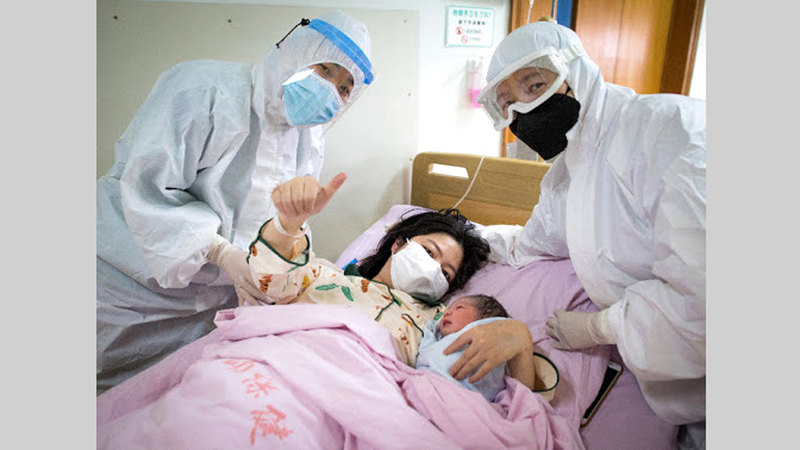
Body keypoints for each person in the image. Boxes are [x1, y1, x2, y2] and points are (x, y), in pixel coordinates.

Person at [96, 10, 375, 393]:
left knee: (166, 399)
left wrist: (289, 260)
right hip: (129, 282)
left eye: (344, 88)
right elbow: (147, 188)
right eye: (325, 69)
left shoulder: (309, 139)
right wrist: (222, 253)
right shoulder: (204, 90)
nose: (330, 90)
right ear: (294, 50)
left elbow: (281, 219)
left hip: (211, 304)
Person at [457, 21, 705, 428]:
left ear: (578, 71)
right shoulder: (567, 175)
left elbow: (704, 298)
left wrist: (599, 327)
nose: (523, 110)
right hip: (679, 400)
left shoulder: (668, 131)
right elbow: (531, 243)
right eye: (508, 103)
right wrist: (460, 237)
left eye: (535, 85)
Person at [208, 174, 542, 389]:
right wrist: (287, 225)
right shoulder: (323, 275)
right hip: (274, 366)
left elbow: (494, 387)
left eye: (445, 273)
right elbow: (271, 282)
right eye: (429, 251)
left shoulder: (437, 323)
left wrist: (520, 340)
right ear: (398, 245)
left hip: (355, 391)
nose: (433, 269)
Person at [415, 295, 528, 402]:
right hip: (423, 383)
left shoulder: (491, 335)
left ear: (485, 318)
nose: (446, 313)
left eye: (459, 308)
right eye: (448, 309)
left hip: (464, 398)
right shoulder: (438, 339)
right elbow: (425, 347)